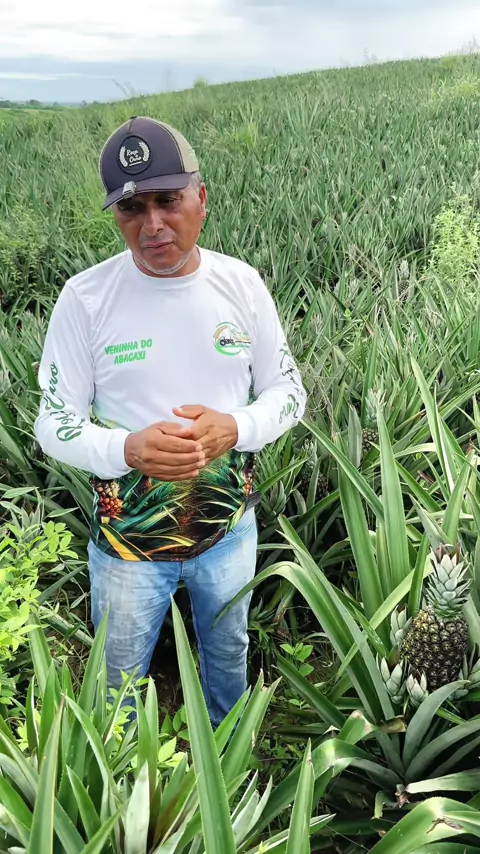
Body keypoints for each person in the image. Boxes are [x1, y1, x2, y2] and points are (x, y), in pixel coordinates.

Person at [34, 116, 307, 728]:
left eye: (168, 201)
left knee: (228, 655)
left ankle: (227, 759)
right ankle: (121, 774)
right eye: (132, 208)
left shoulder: (242, 285)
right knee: (116, 680)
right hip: (127, 545)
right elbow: (52, 423)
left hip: (228, 532)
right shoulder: (86, 299)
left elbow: (290, 393)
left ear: (200, 198)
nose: (152, 224)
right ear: (116, 214)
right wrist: (126, 448)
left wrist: (235, 427)